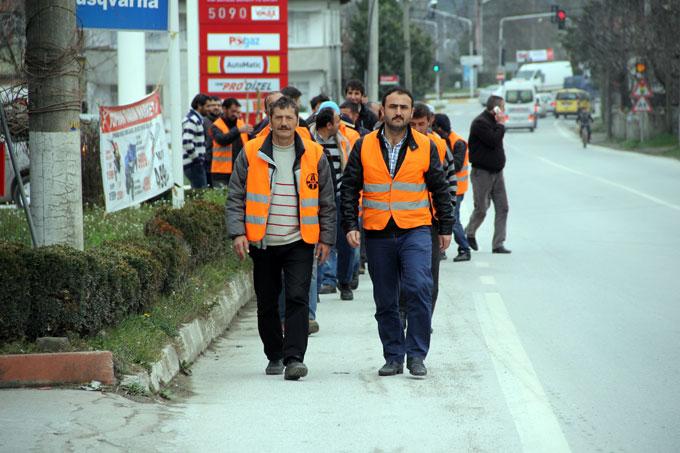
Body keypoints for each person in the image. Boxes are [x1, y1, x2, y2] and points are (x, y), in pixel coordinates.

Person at [341, 87, 453, 377]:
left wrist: (446, 227)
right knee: (386, 299)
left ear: (411, 112)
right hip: (378, 231)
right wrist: (350, 224)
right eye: (393, 106)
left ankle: (416, 355)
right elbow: (350, 187)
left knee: (418, 288)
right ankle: (393, 356)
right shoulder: (364, 145)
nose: (399, 112)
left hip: (416, 228)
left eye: (404, 107)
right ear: (383, 111)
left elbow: (439, 189)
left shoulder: (425, 145)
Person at [226, 96, 336, 380]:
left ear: (298, 120)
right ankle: (274, 353)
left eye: (289, 118)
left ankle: (294, 358)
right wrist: (237, 232)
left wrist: (326, 238)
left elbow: (327, 200)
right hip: (262, 242)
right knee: (267, 301)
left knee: (298, 297)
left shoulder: (314, 153)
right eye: (279, 118)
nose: (284, 123)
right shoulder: (251, 152)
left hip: (300, 240)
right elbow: (235, 195)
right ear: (270, 119)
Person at [397, 103, 456, 326]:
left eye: (421, 124)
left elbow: (449, 183)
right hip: (404, 218)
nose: (418, 128)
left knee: (429, 276)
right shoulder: (397, 145)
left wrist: (445, 221)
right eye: (414, 124)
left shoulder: (439, 146)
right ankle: (402, 313)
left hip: (431, 221)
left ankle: (423, 319)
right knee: (404, 272)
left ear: (429, 122)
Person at [309, 104, 356, 301]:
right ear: (328, 124)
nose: (341, 124)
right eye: (337, 120)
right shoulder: (308, 143)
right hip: (314, 201)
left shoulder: (343, 143)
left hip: (339, 198)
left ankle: (344, 282)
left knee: (346, 242)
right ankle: (317, 285)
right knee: (318, 242)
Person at [465, 95, 511, 254]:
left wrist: (499, 124)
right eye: (502, 108)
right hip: (482, 173)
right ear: (495, 109)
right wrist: (500, 123)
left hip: (497, 173)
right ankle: (469, 233)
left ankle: (498, 244)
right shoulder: (480, 123)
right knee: (482, 208)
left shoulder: (494, 123)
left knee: (503, 207)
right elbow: (492, 140)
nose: (504, 111)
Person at [433, 113, 472, 262]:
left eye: (436, 127)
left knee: (453, 220)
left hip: (457, 189)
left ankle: (464, 248)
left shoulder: (458, 142)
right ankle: (442, 249)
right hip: (448, 188)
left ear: (441, 128)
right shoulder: (444, 140)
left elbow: (456, 164)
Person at [209, 98, 253, 187]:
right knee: (221, 199)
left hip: (240, 171)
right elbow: (222, 140)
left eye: (237, 112)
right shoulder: (216, 126)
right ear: (224, 109)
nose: (236, 114)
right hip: (221, 172)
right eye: (233, 111)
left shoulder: (241, 124)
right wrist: (238, 131)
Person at [182, 93, 210, 188]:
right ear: (199, 106)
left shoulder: (194, 119)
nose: (209, 109)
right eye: (207, 106)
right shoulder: (193, 120)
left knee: (199, 195)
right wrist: (197, 159)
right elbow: (186, 142)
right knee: (202, 195)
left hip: (192, 163)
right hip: (193, 164)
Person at [203, 96, 221, 187]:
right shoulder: (203, 122)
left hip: (221, 165)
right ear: (208, 107)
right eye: (213, 105)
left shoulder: (225, 122)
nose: (216, 107)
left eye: (218, 105)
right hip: (207, 163)